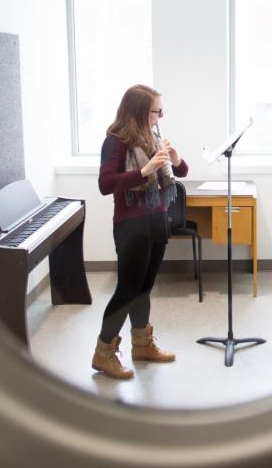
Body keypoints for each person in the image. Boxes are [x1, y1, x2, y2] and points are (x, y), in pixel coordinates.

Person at [92, 84, 188, 379]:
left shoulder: (152, 136)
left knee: (144, 287)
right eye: (157, 110)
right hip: (131, 225)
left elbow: (181, 172)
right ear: (139, 111)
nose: (161, 115)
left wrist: (173, 158)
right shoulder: (116, 141)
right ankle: (103, 352)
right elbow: (106, 184)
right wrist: (144, 171)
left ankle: (142, 345)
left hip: (157, 220)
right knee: (127, 290)